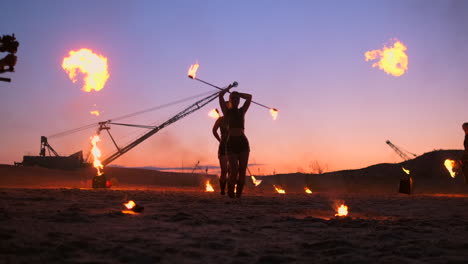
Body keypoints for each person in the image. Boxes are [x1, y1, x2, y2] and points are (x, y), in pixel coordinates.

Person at [219, 85, 252, 198]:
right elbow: (220, 95)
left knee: (242, 170)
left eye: (237, 99)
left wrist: (238, 94)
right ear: (230, 100)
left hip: (243, 142)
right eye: (233, 99)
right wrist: (229, 88)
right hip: (231, 143)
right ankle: (230, 192)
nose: (236, 100)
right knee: (233, 170)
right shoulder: (226, 112)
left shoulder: (242, 111)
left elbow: (249, 97)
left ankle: (239, 194)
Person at [212, 105, 229, 195]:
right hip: (223, 146)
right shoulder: (220, 119)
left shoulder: (234, 119)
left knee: (231, 170)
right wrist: (220, 140)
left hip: (233, 146)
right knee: (224, 170)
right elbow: (214, 130)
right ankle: (222, 190)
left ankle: (230, 189)